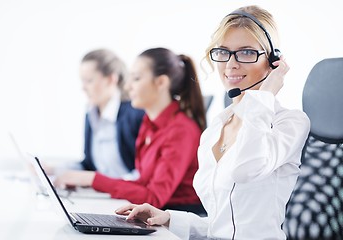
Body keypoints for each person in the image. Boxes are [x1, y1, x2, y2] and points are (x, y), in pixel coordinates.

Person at [115, 5, 310, 240]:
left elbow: (246, 169)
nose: (231, 64)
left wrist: (265, 96)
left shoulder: (290, 123)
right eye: (223, 52)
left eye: (246, 52)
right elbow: (220, 227)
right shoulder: (216, 128)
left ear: (273, 60)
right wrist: (168, 218)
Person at [54, 47, 207, 215]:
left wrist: (93, 179)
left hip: (178, 220)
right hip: (157, 213)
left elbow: (154, 198)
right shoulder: (149, 124)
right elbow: (143, 183)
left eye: (136, 78)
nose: (127, 86)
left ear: (161, 82)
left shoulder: (181, 130)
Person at [46, 49, 144, 180]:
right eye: (82, 81)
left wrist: (103, 183)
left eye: (89, 81)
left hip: (127, 195)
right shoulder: (91, 114)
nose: (83, 88)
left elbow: (144, 173)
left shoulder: (135, 114)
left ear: (110, 79)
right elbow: (89, 165)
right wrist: (53, 170)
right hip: (103, 195)